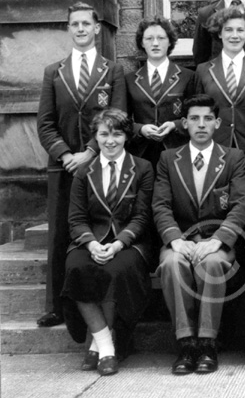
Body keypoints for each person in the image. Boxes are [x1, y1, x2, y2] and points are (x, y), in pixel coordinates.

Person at [36, 1, 126, 328]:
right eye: (74, 24)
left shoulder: (112, 70)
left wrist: (89, 152)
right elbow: (45, 123)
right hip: (63, 168)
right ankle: (56, 306)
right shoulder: (54, 72)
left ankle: (100, 301)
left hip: (100, 163)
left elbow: (117, 116)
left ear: (97, 28)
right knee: (60, 233)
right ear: (68, 28)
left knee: (99, 228)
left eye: (86, 24)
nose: (81, 30)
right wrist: (65, 155)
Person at [152, 94, 245, 375]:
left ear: (218, 123)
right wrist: (175, 240)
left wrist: (218, 240)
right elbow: (160, 204)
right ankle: (185, 343)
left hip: (216, 239)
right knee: (172, 263)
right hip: (180, 237)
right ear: (184, 123)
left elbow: (241, 204)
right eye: (194, 118)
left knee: (212, 263)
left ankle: (207, 342)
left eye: (208, 118)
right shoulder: (169, 159)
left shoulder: (233, 157)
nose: (201, 124)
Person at [62, 108, 153, 376]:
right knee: (76, 268)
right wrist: (91, 244)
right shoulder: (83, 171)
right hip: (90, 240)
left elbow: (141, 217)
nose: (110, 141)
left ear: (126, 136)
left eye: (117, 134)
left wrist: (117, 245)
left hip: (129, 242)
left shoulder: (143, 168)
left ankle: (101, 347)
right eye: (104, 134)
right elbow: (76, 218)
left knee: (113, 271)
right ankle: (105, 344)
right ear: (96, 137)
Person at [194, 8, 245, 175]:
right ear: (219, 33)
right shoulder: (203, 71)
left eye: (240, 30)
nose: (234, 35)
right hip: (213, 153)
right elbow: (195, 116)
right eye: (228, 30)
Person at [126, 16, 196, 170]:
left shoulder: (187, 77)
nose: (155, 43)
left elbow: (195, 116)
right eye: (149, 38)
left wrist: (174, 125)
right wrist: (140, 129)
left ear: (170, 41)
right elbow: (121, 120)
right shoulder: (129, 80)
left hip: (178, 152)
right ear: (142, 43)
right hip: (141, 155)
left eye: (161, 38)